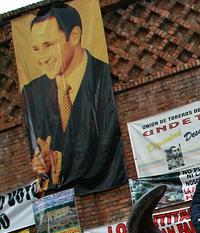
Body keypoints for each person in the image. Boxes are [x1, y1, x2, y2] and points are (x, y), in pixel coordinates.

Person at [22, 3, 126, 195]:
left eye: (48, 45)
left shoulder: (102, 77)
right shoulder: (32, 92)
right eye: (36, 49)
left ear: (75, 36)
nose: (42, 58)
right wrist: (46, 165)